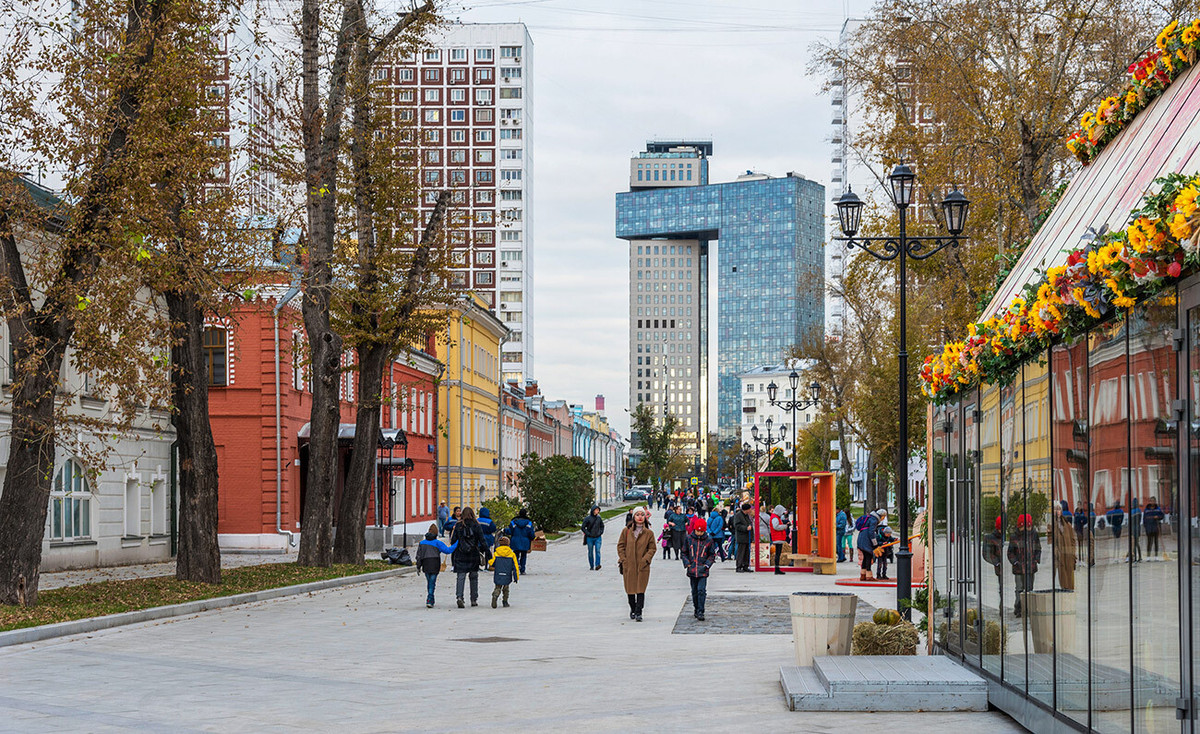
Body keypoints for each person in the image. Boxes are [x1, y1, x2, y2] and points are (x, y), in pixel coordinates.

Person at [617, 507, 657, 622]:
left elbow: (652, 548)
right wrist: (624, 559)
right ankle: (633, 608)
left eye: (642, 515)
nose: (640, 517)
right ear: (633, 517)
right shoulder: (626, 531)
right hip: (629, 565)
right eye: (637, 514)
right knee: (630, 589)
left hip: (642, 566)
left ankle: (639, 612)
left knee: (640, 589)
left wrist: (646, 560)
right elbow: (620, 546)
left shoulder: (649, 533)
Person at [450, 506, 489, 608]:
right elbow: (482, 540)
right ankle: (473, 599)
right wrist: (488, 552)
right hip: (473, 554)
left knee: (461, 576)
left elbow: (453, 541)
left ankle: (459, 597)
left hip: (460, 554)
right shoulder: (476, 525)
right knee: (474, 577)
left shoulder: (458, 525)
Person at [681, 516, 716, 621]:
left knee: (701, 590)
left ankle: (701, 610)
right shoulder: (689, 539)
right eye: (697, 531)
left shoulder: (709, 541)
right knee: (694, 591)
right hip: (692, 569)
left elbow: (712, 555)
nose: (699, 533)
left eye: (701, 532)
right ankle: (696, 608)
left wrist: (707, 565)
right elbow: (684, 552)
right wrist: (687, 564)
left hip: (703, 570)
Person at [415, 523, 457, 608]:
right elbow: (448, 550)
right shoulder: (438, 543)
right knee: (432, 582)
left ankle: (431, 598)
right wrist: (457, 543)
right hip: (435, 563)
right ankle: (430, 599)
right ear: (436, 533)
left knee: (429, 582)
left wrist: (418, 566)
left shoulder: (422, 543)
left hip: (426, 564)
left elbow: (419, 556)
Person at [1007, 513, 1041, 616]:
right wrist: (1015, 562)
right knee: (1019, 588)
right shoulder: (1014, 536)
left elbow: (1038, 548)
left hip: (1031, 566)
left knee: (1029, 588)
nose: (1027, 529)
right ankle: (1018, 608)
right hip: (1018, 567)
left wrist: (1036, 559)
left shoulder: (1034, 534)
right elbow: (1010, 552)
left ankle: (1028, 608)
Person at [1047, 500, 1077, 591]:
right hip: (1059, 557)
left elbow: (1073, 540)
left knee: (1070, 580)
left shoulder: (1067, 524)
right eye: (1055, 509)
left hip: (1069, 555)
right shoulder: (1051, 525)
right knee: (1063, 581)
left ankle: (1070, 593)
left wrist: (1073, 553)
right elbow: (1049, 543)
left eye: (1059, 509)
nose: (1057, 511)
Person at [489, 536, 519, 608]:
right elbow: (515, 567)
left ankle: (495, 595)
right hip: (507, 574)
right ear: (508, 544)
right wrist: (516, 577)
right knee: (506, 589)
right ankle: (505, 602)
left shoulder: (496, 553)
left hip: (498, 573)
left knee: (498, 587)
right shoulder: (512, 554)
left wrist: (489, 562)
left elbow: (492, 563)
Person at [507, 508, 536, 574]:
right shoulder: (529, 523)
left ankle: (516, 565)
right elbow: (531, 533)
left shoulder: (513, 522)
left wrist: (504, 530)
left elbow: (510, 531)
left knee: (515, 554)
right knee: (523, 555)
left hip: (515, 541)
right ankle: (522, 570)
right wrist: (533, 538)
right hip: (525, 542)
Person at [856, 511, 879, 581]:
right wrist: (875, 544)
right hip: (866, 541)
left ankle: (863, 575)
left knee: (865, 558)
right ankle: (869, 576)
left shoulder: (869, 518)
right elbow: (871, 533)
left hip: (861, 538)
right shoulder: (873, 520)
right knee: (869, 557)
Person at [983, 515, 1004, 587]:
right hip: (998, 566)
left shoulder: (1001, 537)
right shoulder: (991, 538)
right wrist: (996, 562)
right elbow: (987, 554)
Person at [582, 505, 605, 570]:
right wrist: (588, 533)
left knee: (598, 550)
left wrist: (600, 532)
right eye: (596, 510)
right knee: (590, 552)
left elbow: (602, 526)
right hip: (590, 538)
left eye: (598, 510)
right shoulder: (587, 518)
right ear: (593, 510)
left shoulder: (599, 518)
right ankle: (591, 565)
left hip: (598, 537)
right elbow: (583, 527)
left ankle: (597, 565)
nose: (598, 511)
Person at [732, 502, 753, 572]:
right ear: (746, 509)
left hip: (747, 537)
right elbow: (737, 526)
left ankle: (745, 566)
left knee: (746, 552)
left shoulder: (746, 516)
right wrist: (746, 528)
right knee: (741, 552)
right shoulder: (738, 515)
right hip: (741, 537)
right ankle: (739, 566)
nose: (750, 510)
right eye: (749, 509)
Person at [769, 504, 789, 575]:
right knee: (778, 553)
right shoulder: (775, 518)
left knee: (778, 553)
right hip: (778, 537)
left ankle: (777, 568)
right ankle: (777, 569)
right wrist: (784, 526)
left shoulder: (775, 517)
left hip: (778, 537)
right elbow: (776, 527)